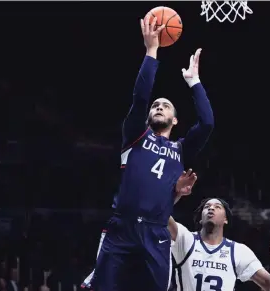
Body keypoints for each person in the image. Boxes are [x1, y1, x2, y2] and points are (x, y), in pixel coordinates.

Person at [92, 14, 215, 291]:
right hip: (121, 229)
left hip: (156, 233)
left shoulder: (181, 149)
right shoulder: (135, 135)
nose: (158, 106)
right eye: (156, 105)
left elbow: (207, 123)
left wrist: (194, 82)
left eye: (166, 106)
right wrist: (151, 51)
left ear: (175, 120)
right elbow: (140, 98)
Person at [82, 171, 197, 290]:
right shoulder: (135, 173)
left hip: (146, 240)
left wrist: (175, 195)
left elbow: (157, 214)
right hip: (125, 233)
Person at [168, 198, 270, 291]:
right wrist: (176, 195)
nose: (211, 208)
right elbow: (160, 214)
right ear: (201, 218)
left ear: (225, 219)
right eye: (207, 207)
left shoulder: (238, 251)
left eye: (217, 207)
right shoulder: (185, 239)